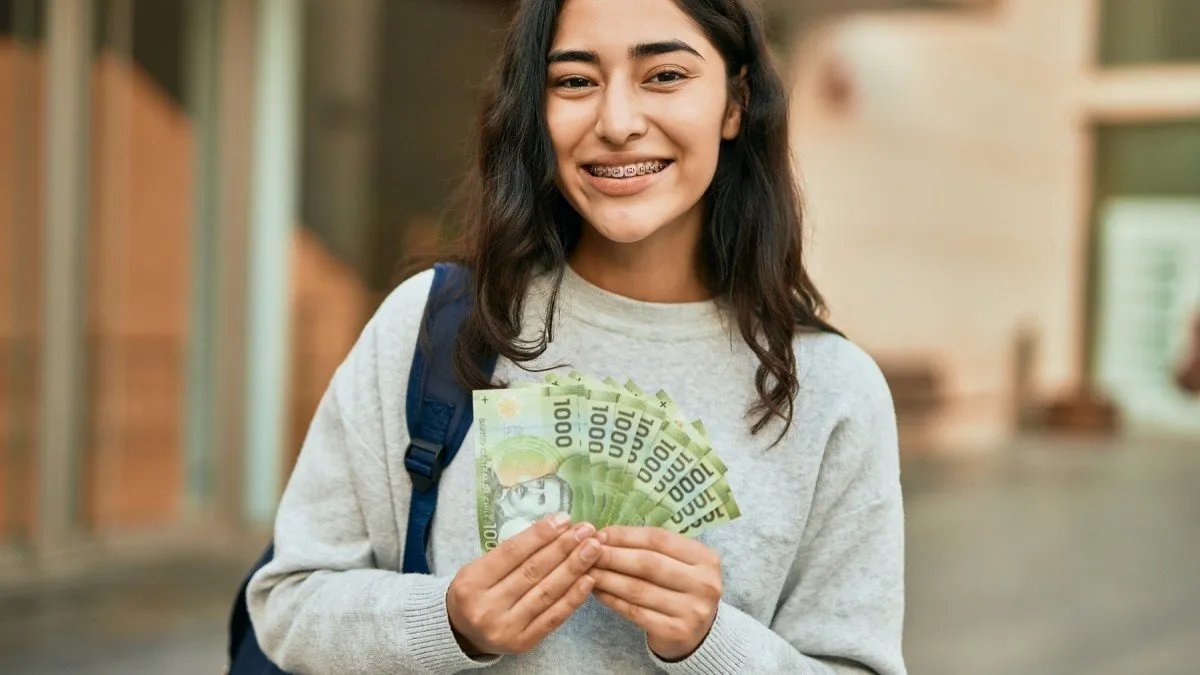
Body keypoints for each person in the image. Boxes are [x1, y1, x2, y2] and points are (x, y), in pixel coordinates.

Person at [247, 0, 906, 672]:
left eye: (665, 76)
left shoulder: (833, 390)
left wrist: (714, 642)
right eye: (574, 81)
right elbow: (287, 604)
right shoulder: (432, 326)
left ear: (734, 104)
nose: (617, 123)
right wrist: (450, 620)